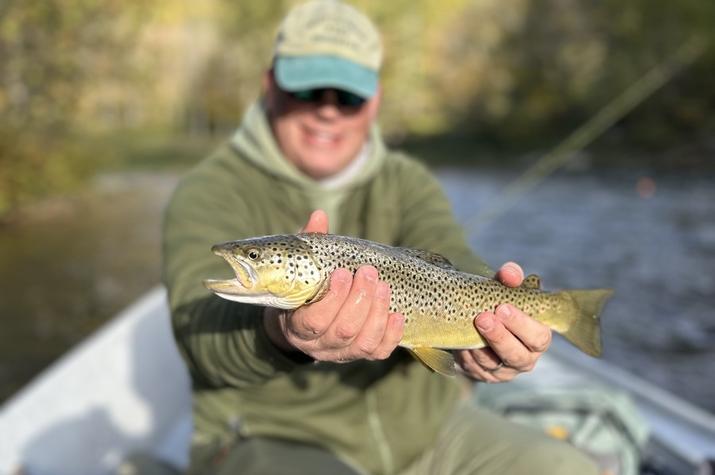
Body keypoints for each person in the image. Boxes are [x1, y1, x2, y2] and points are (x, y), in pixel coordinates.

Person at [162, 1, 599, 474]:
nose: (326, 111)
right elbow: (196, 336)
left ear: (373, 100)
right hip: (269, 435)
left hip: (423, 428)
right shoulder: (207, 191)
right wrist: (278, 331)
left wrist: (491, 347)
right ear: (271, 85)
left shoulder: (407, 181)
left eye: (346, 96)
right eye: (307, 88)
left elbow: (455, 260)